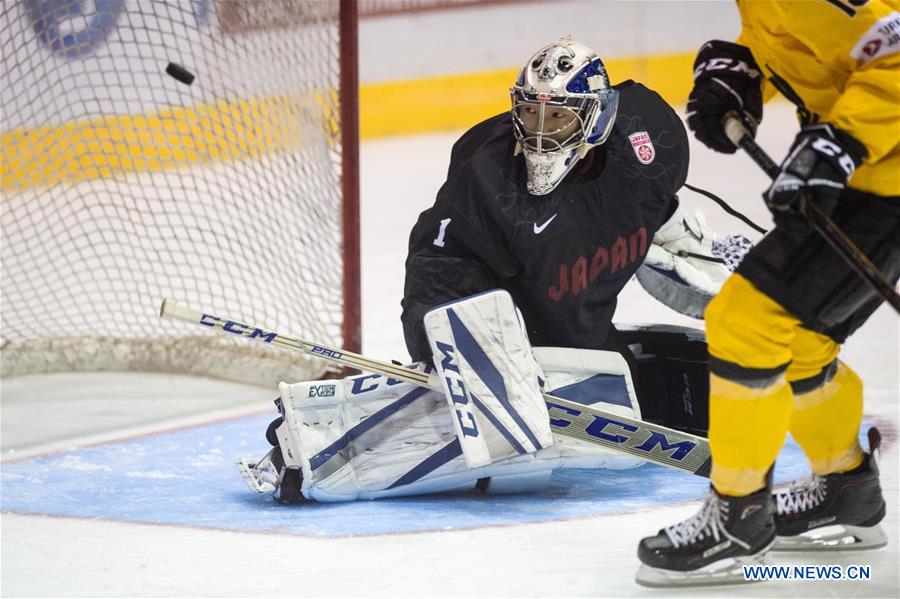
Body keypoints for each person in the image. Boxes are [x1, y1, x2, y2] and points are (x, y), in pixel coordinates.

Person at [238, 37, 744, 504]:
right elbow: (440, 260)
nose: (541, 132)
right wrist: (450, 344)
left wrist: (730, 283)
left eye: (559, 118)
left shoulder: (650, 136)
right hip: (513, 327)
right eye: (530, 112)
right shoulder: (488, 175)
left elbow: (656, 209)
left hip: (579, 328)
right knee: (515, 423)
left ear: (597, 118)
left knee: (638, 390)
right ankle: (315, 444)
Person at [636, 0, 900, 587]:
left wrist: (841, 142)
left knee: (744, 322)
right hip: (873, 177)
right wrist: (749, 64)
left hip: (885, 184)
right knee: (800, 342)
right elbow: (833, 44)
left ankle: (737, 518)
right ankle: (847, 488)